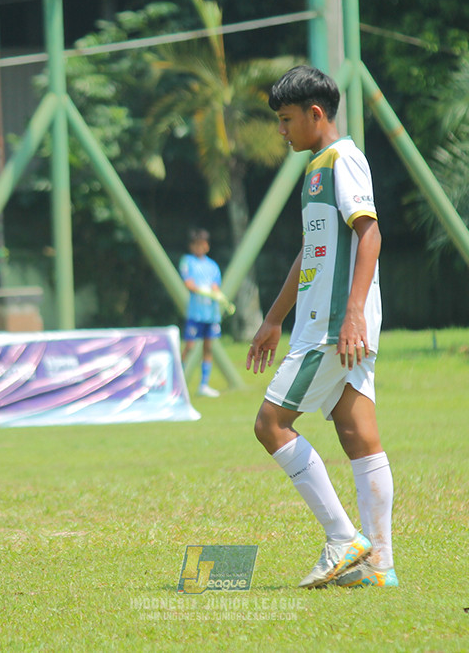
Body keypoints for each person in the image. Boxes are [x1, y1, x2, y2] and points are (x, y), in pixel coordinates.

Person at [245, 65, 397, 589]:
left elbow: (370, 233)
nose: (282, 131)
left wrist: (352, 312)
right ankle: (379, 565)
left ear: (316, 114)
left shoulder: (343, 160)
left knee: (270, 424)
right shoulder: (317, 167)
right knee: (359, 435)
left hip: (334, 328)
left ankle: (342, 538)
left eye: (287, 120)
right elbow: (312, 252)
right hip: (330, 323)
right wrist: (272, 319)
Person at [178, 228, 233, 397]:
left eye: (202, 244)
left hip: (211, 314)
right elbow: (189, 284)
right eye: (196, 245)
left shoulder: (212, 266)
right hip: (196, 314)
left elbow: (216, 286)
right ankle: (177, 382)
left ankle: (204, 385)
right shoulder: (187, 261)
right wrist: (204, 291)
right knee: (190, 346)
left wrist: (220, 298)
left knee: (208, 347)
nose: (199, 248)